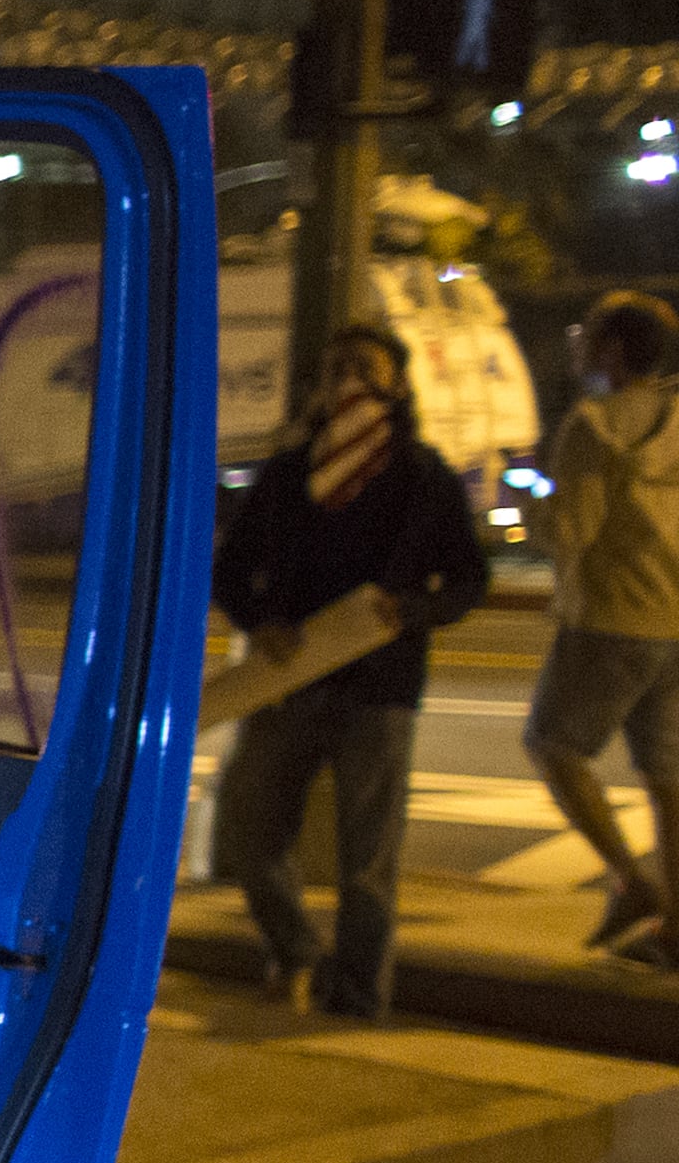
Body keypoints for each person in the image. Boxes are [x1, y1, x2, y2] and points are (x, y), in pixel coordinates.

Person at [210, 323, 491, 1018]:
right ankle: (298, 949)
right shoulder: (286, 475)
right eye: (335, 368)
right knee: (248, 830)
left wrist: (412, 611)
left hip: (381, 688)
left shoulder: (423, 477)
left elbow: (468, 578)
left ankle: (359, 997)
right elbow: (229, 570)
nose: (348, 383)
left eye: (365, 369)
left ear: (396, 384)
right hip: (288, 684)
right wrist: (259, 622)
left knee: (367, 864)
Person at [522, 290, 679, 966]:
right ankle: (676, 928)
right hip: (676, 624)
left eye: (587, 335)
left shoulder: (595, 425)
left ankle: (631, 879)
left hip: (612, 618)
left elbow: (570, 531)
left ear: (614, 350)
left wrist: (534, 509)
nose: (579, 345)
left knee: (554, 746)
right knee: (668, 775)